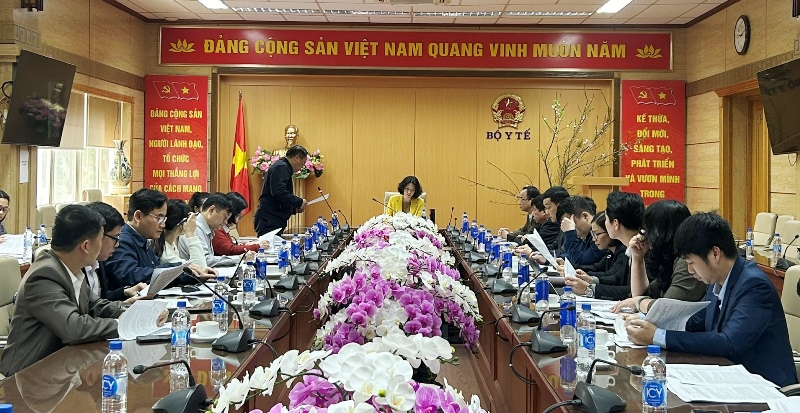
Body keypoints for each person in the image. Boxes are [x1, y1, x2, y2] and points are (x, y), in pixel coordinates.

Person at [624, 212, 797, 387]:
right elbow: (695, 321)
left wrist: (658, 336)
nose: (690, 271)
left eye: (691, 263)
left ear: (715, 254)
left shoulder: (754, 285)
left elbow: (729, 342)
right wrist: (648, 320)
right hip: (731, 377)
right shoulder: (717, 280)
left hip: (767, 386)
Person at [0, 206, 123, 376]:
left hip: (62, 369)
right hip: (28, 377)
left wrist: (137, 314)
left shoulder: (70, 268)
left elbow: (97, 306)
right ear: (86, 246)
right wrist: (123, 325)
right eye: (101, 240)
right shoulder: (44, 275)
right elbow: (74, 328)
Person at [104, 188, 214, 291]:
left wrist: (192, 274)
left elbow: (157, 272)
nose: (163, 225)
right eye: (159, 218)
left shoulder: (144, 239)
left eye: (164, 218)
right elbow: (131, 275)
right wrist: (178, 269)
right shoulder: (122, 240)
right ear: (138, 216)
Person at [612, 200, 706, 314]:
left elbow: (665, 308)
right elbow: (641, 295)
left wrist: (638, 302)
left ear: (661, 232)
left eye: (648, 230)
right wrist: (637, 257)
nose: (645, 236)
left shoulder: (686, 261)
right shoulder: (670, 258)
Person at [565, 191, 644, 300]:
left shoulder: (643, 249)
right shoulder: (630, 247)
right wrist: (590, 280)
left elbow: (633, 292)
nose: (605, 224)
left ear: (615, 223)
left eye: (606, 218)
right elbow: (617, 278)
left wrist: (589, 289)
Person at [85, 202, 146, 302]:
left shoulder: (99, 261)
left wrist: (124, 292)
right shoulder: (76, 268)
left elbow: (99, 299)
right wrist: (122, 306)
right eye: (115, 238)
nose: (117, 244)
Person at [254, 145, 309, 236]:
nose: (303, 166)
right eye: (303, 162)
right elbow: (278, 192)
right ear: (297, 158)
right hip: (269, 219)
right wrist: (299, 202)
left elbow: (277, 198)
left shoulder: (283, 166)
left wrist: (293, 209)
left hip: (272, 218)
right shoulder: (281, 167)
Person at [178, 192, 239, 267]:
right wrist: (237, 258)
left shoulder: (207, 226)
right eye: (224, 217)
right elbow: (205, 260)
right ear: (211, 210)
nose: (225, 222)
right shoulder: (195, 226)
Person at [154, 199, 207, 269]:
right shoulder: (166, 254)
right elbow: (201, 268)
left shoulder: (169, 244)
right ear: (182, 223)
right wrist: (191, 234)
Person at [557, 196, 606, 267]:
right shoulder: (587, 235)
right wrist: (563, 259)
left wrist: (570, 232)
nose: (571, 227)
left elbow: (579, 262)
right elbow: (581, 253)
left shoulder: (601, 233)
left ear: (585, 216)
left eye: (572, 223)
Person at [541, 186, 570, 251]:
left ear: (560, 205)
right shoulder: (562, 223)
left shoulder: (573, 225)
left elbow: (564, 253)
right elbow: (554, 246)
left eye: (548, 208)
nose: (546, 212)